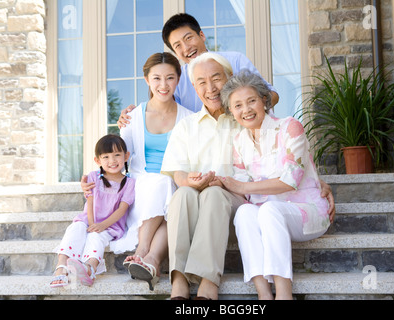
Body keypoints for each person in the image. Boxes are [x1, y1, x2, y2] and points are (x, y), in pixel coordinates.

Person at [161, 53, 335, 300]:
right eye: (201, 82)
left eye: (216, 78)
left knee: (217, 195)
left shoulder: (252, 121)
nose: (210, 88)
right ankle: (179, 283)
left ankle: (211, 284)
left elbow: (292, 165)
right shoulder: (199, 128)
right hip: (237, 208)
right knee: (183, 194)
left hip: (245, 204)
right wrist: (190, 181)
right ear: (193, 87)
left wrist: (319, 184)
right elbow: (178, 173)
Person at [82, 53, 193, 290]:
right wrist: (94, 180)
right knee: (161, 185)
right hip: (141, 187)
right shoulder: (132, 117)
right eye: (157, 78)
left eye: (170, 78)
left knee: (169, 189)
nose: (163, 85)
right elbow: (118, 162)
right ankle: (147, 253)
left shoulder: (189, 119)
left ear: (178, 79)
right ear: (147, 80)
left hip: (174, 184)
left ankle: (148, 258)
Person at [219, 70, 333, 300]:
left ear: (264, 100)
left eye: (251, 101)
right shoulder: (239, 141)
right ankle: (264, 294)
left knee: (269, 210)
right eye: (238, 105)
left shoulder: (290, 127)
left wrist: (241, 188)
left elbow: (290, 181)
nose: (246, 110)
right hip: (267, 215)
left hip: (306, 211)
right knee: (243, 213)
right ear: (231, 111)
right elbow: (242, 184)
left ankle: (283, 295)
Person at [117, 13, 279, 128]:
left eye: (189, 38)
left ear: (201, 35)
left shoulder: (235, 60)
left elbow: (272, 95)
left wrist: (245, 112)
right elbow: (163, 111)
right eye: (178, 45)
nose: (186, 48)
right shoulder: (178, 79)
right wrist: (135, 114)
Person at [50, 135, 135, 288]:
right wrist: (91, 223)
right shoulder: (93, 177)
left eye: (117, 155)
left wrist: (101, 226)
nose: (112, 160)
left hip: (111, 225)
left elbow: (122, 209)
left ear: (126, 156)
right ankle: (61, 267)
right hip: (88, 219)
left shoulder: (129, 183)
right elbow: (90, 202)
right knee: (75, 228)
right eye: (106, 157)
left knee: (96, 237)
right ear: (98, 160)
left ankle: (90, 268)